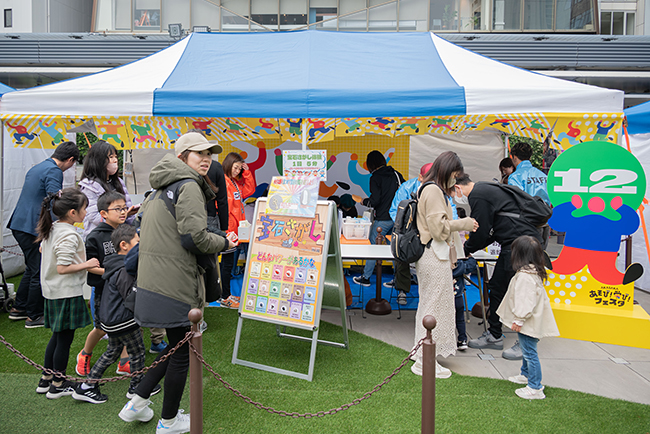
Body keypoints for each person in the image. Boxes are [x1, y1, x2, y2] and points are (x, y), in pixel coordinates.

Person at [118, 132, 236, 432]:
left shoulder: (161, 186)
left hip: (154, 281)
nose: (206, 159)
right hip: (174, 284)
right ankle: (168, 421)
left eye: (209, 154)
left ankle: (138, 402)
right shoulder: (188, 186)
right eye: (199, 154)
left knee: (173, 348)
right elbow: (193, 236)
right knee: (182, 353)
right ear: (183, 157)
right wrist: (223, 242)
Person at [453, 174, 543, 360]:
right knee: (497, 287)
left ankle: (525, 343)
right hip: (515, 243)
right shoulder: (486, 188)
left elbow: (482, 230)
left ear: (458, 188)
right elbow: (493, 229)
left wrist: (466, 249)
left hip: (522, 245)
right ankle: (494, 335)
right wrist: (469, 248)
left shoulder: (477, 195)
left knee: (522, 293)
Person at [73, 224, 160, 404]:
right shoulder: (124, 269)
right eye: (137, 242)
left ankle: (88, 385)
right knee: (137, 352)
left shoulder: (113, 263)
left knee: (112, 351)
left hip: (111, 318)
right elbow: (130, 295)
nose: (140, 244)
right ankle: (137, 386)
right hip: (123, 319)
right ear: (124, 245)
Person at [411, 152, 478, 379]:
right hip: (434, 255)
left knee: (430, 305)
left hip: (433, 255)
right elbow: (438, 229)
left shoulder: (430, 189)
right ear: (447, 172)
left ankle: (423, 355)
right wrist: (464, 223)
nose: (455, 180)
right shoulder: (432, 190)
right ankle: (424, 359)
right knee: (433, 307)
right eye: (454, 175)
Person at [7, 141, 79, 328]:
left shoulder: (39, 166)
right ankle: (34, 315)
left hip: (20, 223)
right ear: (70, 160)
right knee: (38, 270)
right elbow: (55, 199)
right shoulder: (54, 171)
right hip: (31, 226)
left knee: (31, 268)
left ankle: (20, 308)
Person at [35, 188, 98, 399]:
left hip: (53, 290)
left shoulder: (53, 227)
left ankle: (47, 378)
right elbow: (62, 267)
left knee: (58, 336)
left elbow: (44, 251)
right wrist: (87, 264)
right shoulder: (69, 234)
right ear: (72, 212)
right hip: (65, 291)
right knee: (64, 340)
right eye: (84, 208)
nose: (86, 212)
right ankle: (59, 383)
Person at [497, 235, 559, 400]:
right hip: (531, 321)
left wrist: (519, 319)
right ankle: (525, 374)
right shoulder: (534, 272)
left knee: (530, 352)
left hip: (528, 322)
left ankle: (535, 386)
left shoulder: (525, 276)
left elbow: (525, 301)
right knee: (526, 350)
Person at [76, 191, 129, 377]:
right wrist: (111, 273)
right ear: (103, 213)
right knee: (100, 328)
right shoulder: (95, 236)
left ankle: (124, 362)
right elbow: (90, 267)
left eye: (124, 208)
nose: (123, 212)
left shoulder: (126, 231)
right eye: (118, 209)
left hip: (124, 288)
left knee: (128, 324)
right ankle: (85, 354)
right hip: (103, 289)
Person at [352, 150, 405, 287]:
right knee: (395, 249)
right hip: (398, 218)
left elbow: (375, 201)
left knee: (373, 246)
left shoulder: (375, 177)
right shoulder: (396, 174)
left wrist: (362, 201)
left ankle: (366, 277)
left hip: (382, 219)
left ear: (371, 164)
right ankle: (398, 280)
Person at [386, 162, 433, 304]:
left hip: (430, 232)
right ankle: (402, 290)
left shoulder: (439, 189)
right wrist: (404, 228)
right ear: (420, 176)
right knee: (402, 259)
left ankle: (429, 295)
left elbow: (451, 210)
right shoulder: (406, 187)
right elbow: (395, 210)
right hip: (407, 231)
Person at [79, 140, 138, 239]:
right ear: (98, 160)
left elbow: (127, 207)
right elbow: (93, 216)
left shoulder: (119, 182)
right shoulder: (89, 186)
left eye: (115, 157)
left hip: (120, 236)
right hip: (100, 238)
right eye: (111, 157)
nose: (115, 160)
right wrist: (122, 216)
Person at [220, 152, 256, 310]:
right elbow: (223, 209)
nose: (236, 171)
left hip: (234, 231)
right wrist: (227, 230)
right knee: (226, 264)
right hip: (229, 231)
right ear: (228, 164)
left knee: (228, 264)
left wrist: (246, 172)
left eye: (238, 169)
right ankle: (225, 297)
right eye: (235, 167)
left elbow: (248, 191)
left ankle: (226, 295)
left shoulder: (233, 182)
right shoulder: (224, 182)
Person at [508, 142, 551, 248]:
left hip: (526, 223)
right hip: (545, 220)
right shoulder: (543, 175)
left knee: (525, 257)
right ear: (530, 156)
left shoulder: (515, 177)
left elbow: (516, 200)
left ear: (514, 157)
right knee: (541, 256)